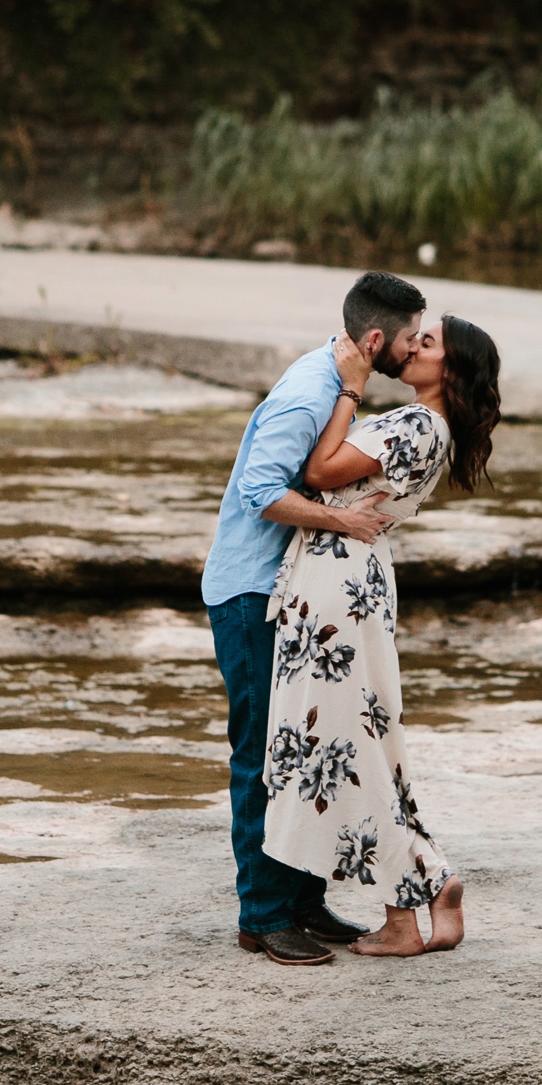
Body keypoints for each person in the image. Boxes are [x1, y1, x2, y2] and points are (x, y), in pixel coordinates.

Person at [202, 270, 428, 966]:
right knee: (263, 757)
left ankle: (301, 901)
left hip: (287, 595)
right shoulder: (309, 393)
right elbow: (259, 491)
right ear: (374, 339)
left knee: (304, 750)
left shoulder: (339, 385)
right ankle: (262, 915)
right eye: (412, 340)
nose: (417, 351)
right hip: (250, 594)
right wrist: (340, 522)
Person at [263, 313, 501, 958]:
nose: (412, 348)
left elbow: (319, 470)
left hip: (335, 584)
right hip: (356, 579)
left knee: (348, 742)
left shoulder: (414, 423)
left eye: (427, 344)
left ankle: (405, 913)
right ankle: (431, 884)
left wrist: (348, 387)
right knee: (366, 739)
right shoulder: (436, 429)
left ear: (449, 371)